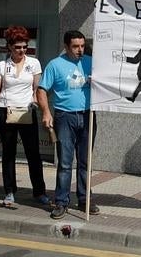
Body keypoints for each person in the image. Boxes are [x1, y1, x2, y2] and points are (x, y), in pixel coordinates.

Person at [0, 26, 50, 207]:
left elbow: (37, 89)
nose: (22, 50)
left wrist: (36, 104)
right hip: (5, 111)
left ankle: (39, 192)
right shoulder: (1, 66)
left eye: (25, 46)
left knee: (33, 153)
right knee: (8, 154)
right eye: (18, 47)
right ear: (9, 46)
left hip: (26, 112)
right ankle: (9, 192)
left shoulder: (34, 63)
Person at [37, 30, 99, 220]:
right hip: (65, 117)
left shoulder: (91, 62)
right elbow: (41, 91)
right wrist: (47, 112)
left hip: (88, 115)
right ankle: (61, 201)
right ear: (66, 47)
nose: (80, 50)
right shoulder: (55, 65)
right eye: (75, 46)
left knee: (85, 161)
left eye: (82, 46)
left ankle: (84, 199)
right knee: (65, 162)